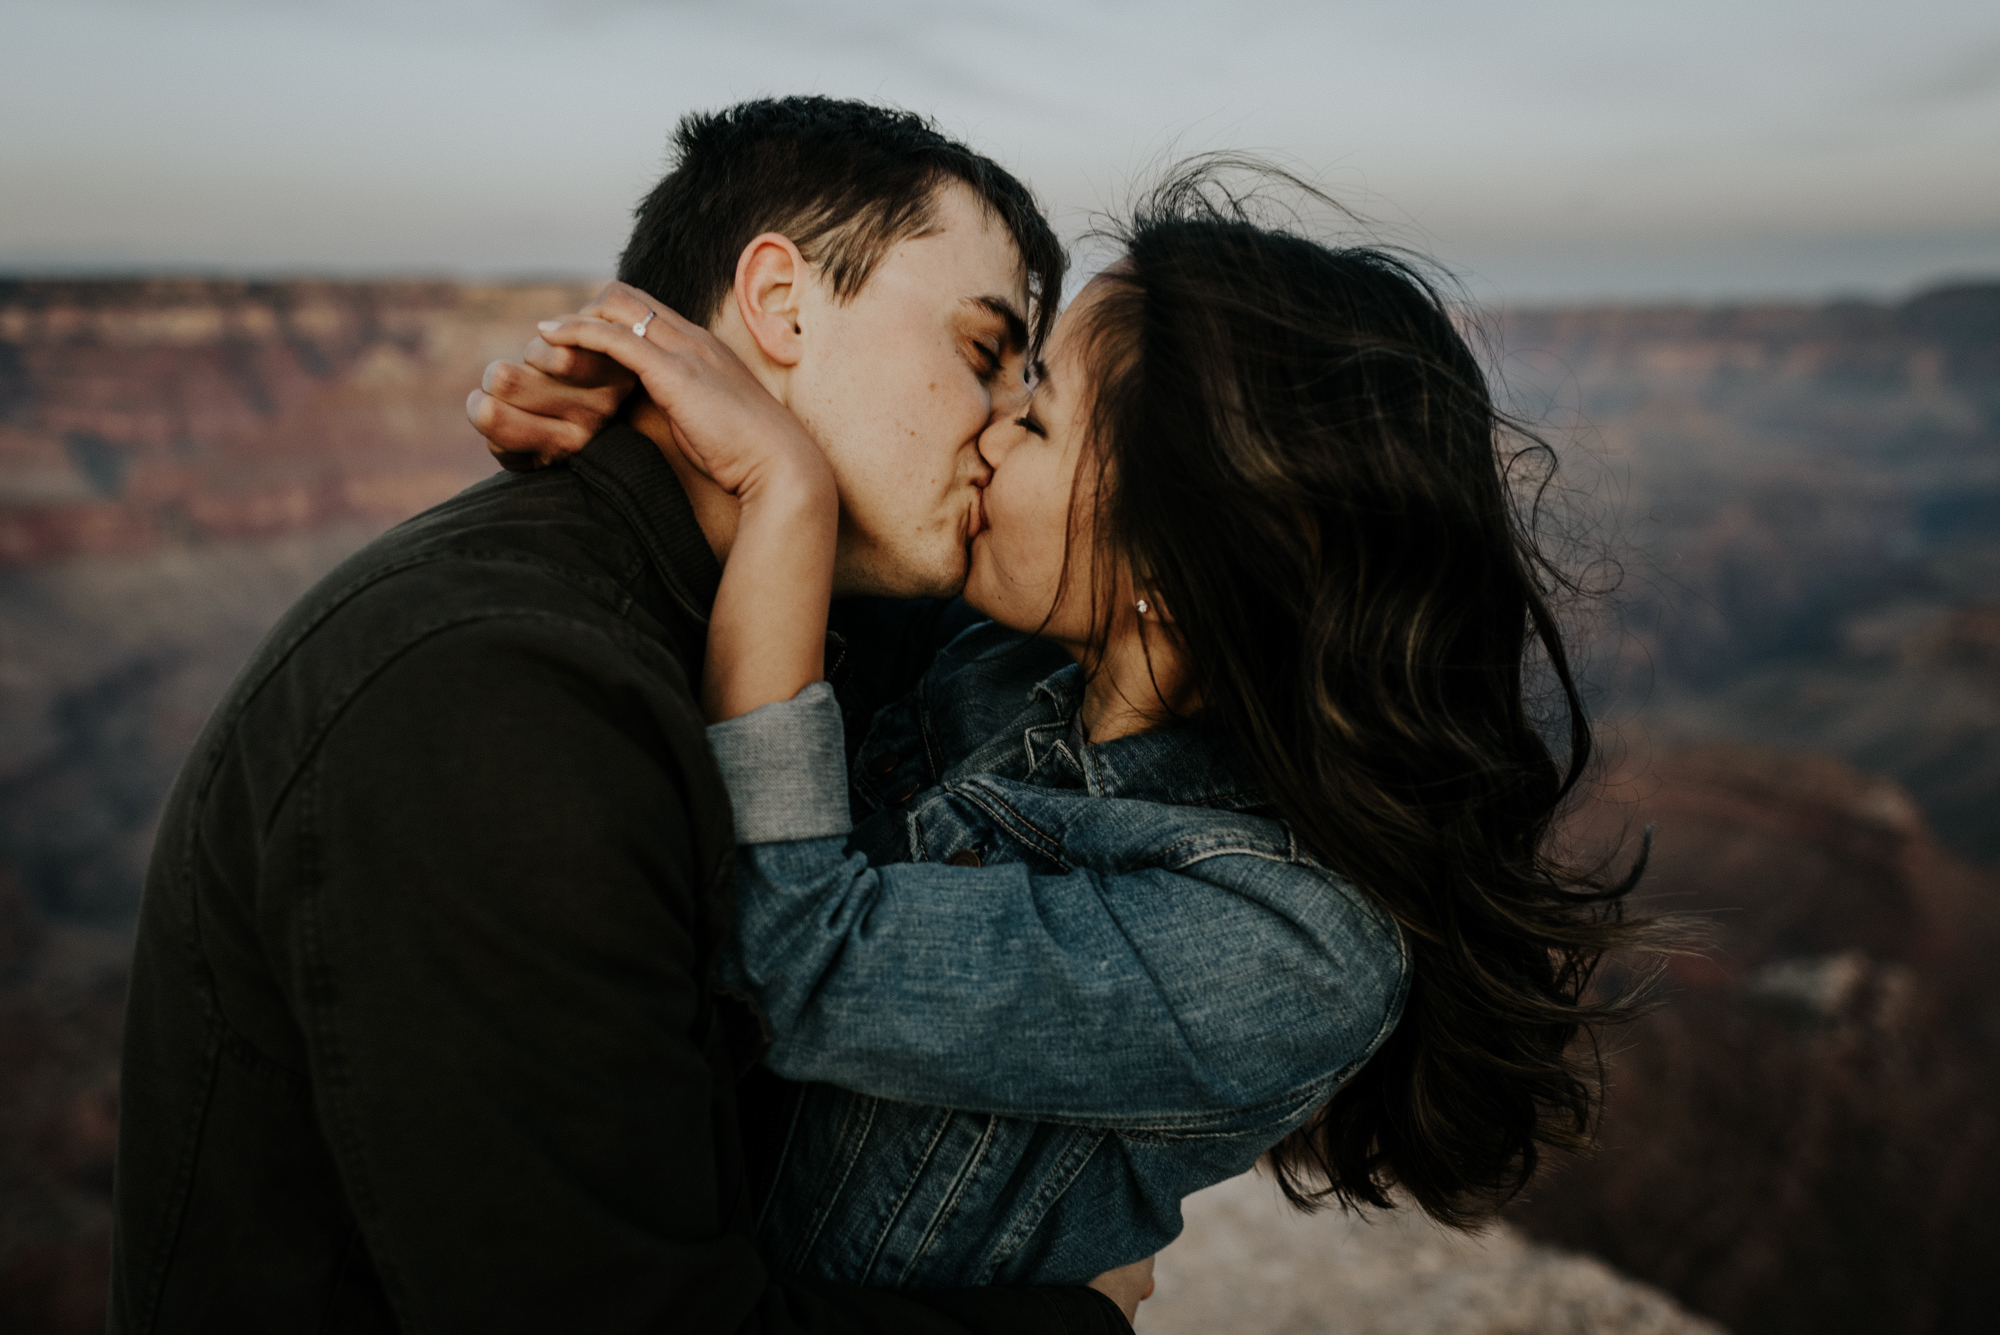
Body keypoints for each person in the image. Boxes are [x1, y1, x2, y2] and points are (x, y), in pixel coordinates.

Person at [479, 161, 1671, 1291]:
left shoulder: (1285, 947)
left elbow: (796, 956)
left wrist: (781, 490)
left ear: (1178, 556)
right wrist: (642, 439)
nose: (988, 429)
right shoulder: (1000, 664)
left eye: (1035, 418)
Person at [110, 97, 1143, 1333]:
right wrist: (1072, 1323)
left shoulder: (796, 618)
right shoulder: (495, 696)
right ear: (780, 303)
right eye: (981, 354)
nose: (1002, 428)